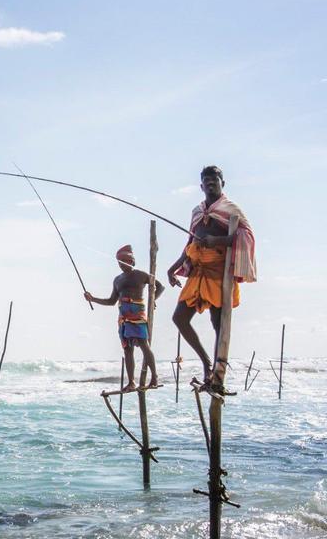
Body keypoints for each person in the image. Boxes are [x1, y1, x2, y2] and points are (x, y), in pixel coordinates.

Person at [167, 165, 257, 388]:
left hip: (219, 272)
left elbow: (244, 236)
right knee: (179, 318)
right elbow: (190, 242)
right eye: (206, 182)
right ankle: (206, 362)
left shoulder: (230, 209)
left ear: (222, 184)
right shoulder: (197, 211)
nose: (210, 185)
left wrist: (216, 241)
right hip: (198, 271)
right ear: (201, 186)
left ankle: (218, 373)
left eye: (214, 181)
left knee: (219, 324)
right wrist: (174, 267)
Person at [85, 245, 165, 392]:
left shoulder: (141, 275)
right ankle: (131, 382)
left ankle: (154, 377)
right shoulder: (117, 280)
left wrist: (153, 300)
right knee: (127, 349)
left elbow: (160, 287)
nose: (122, 265)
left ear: (132, 261)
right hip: (123, 317)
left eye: (125, 261)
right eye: (119, 262)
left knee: (143, 344)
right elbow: (111, 301)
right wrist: (92, 299)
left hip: (137, 314)